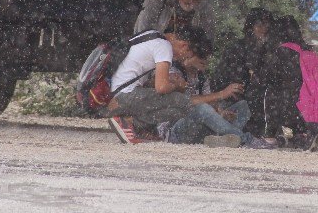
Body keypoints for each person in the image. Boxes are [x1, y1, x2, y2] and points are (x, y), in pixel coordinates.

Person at [110, 26, 270, 149]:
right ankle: (244, 139)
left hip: (196, 121)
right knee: (198, 108)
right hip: (168, 123)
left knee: (241, 106)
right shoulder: (169, 60)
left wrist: (220, 112)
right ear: (187, 49)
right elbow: (169, 92)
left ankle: (224, 138)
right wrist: (179, 85)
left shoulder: (200, 76)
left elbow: (208, 105)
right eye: (197, 58)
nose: (203, 64)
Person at [259, 16, 318, 150]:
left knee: (271, 91)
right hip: (315, 110)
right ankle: (303, 137)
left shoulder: (282, 50)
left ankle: (270, 137)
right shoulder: (308, 52)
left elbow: (267, 79)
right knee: (290, 94)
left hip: (294, 107)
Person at [211, 7, 272, 136]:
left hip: (258, 101)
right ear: (250, 27)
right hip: (233, 99)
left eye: (267, 25)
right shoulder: (237, 49)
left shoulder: (269, 51)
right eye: (259, 25)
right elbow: (233, 83)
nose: (264, 29)